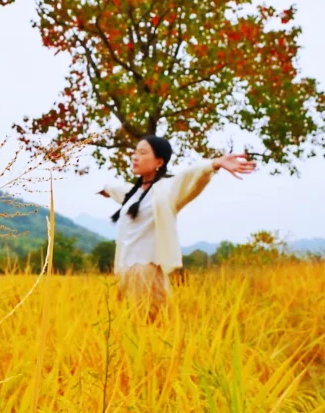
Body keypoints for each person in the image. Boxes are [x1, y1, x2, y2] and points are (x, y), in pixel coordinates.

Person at [98, 135, 256, 318]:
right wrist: (104, 189)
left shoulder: (167, 190)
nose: (135, 157)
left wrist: (215, 163)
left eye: (142, 153)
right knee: (128, 328)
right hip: (125, 271)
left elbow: (190, 176)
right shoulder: (132, 194)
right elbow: (114, 187)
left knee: (154, 326)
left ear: (159, 161)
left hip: (147, 272)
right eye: (134, 152)